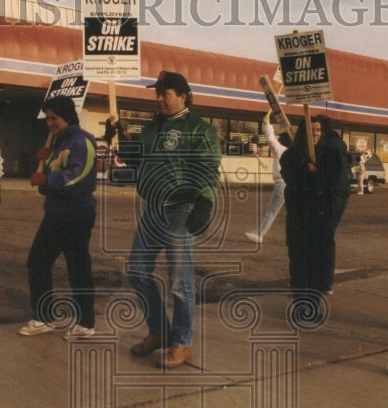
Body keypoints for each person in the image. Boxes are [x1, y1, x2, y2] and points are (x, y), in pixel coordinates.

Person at [119, 70, 221, 368]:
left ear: (183, 96)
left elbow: (207, 167)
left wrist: (204, 203)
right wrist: (122, 141)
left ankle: (182, 343)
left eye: (166, 94)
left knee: (180, 280)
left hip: (182, 208)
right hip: (153, 209)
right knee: (137, 271)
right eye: (158, 93)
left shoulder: (199, 129)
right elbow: (136, 159)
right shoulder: (152, 129)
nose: (160, 99)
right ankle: (159, 331)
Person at [20, 96, 98, 339]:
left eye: (54, 118)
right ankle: (43, 317)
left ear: (67, 116)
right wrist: (39, 159)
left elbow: (77, 177)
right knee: (38, 262)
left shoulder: (82, 141)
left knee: (77, 268)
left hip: (77, 214)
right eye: (48, 118)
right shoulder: (57, 141)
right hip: (55, 213)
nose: (50, 123)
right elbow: (46, 169)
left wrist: (47, 181)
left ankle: (85, 323)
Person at [279, 114, 350, 306]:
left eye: (318, 130)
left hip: (320, 216)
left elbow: (334, 181)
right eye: (311, 130)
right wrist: (305, 171)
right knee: (298, 260)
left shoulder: (329, 155)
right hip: (299, 217)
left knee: (316, 260)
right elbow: (290, 179)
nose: (315, 134)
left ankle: (313, 302)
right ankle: (300, 301)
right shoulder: (292, 156)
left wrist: (318, 172)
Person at [245, 116, 290, 244]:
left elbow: (270, 139)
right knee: (292, 214)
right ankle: (293, 238)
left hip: (281, 183)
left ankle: (260, 234)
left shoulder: (281, 150)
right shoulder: (290, 151)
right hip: (289, 184)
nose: (278, 140)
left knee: (272, 211)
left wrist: (267, 125)